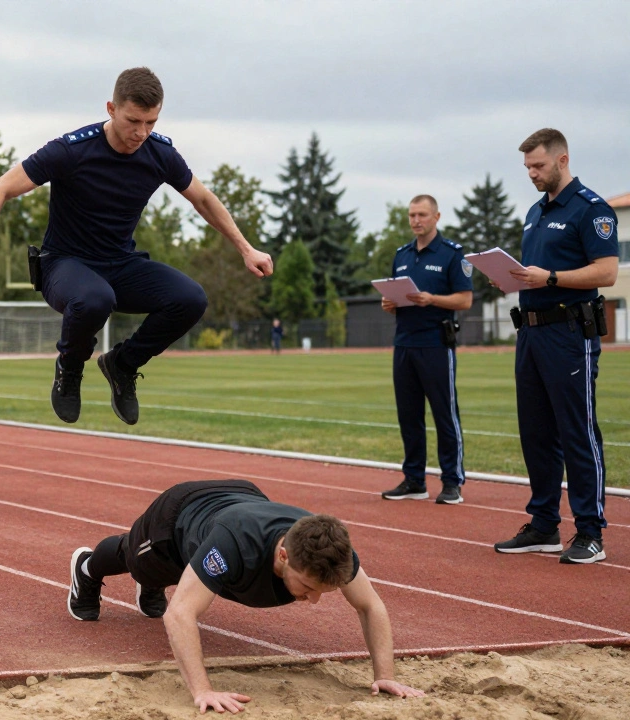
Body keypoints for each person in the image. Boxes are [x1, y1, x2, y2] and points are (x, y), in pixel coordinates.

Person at [0, 67, 272, 426]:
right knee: (95, 299)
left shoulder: (160, 153)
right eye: (134, 120)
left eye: (151, 122)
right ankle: (69, 369)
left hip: (120, 264)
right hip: (65, 265)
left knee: (191, 299)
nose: (141, 132)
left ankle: (122, 365)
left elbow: (204, 200)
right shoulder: (71, 150)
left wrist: (246, 248)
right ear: (111, 108)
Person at [67, 479, 424, 713]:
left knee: (193, 578)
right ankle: (87, 568)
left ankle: (163, 580)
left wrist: (385, 674)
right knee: (135, 558)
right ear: (284, 555)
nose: (312, 601)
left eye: (322, 592)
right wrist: (203, 691)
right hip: (178, 516)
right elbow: (179, 615)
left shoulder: (332, 553)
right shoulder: (234, 545)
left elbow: (370, 604)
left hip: (241, 499)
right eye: (308, 589)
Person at [493, 129, 618, 565]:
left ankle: (590, 532)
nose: (531, 173)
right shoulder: (534, 212)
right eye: (527, 167)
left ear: (562, 159)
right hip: (530, 333)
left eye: (538, 166)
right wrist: (512, 277)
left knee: (577, 430)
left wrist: (548, 277)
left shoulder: (592, 210)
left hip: (569, 334)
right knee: (536, 433)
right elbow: (536, 272)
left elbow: (606, 272)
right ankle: (544, 524)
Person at [379, 195, 473, 506]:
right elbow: (398, 299)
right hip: (404, 343)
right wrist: (390, 304)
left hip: (435, 344)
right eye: (412, 215)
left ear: (436, 217)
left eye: (422, 214)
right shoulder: (402, 255)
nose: (416, 220)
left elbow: (464, 300)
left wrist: (431, 299)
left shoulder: (452, 254)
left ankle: (451, 481)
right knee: (409, 416)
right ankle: (414, 480)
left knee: (445, 415)